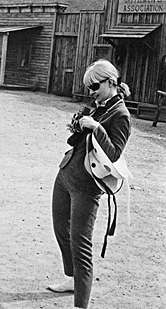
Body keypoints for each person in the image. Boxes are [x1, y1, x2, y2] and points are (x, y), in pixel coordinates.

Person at [47, 59, 131, 309]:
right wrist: (77, 125)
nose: (92, 91)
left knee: (80, 242)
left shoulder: (121, 114)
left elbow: (114, 153)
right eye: (89, 87)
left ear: (111, 81)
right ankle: (73, 280)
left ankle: (80, 304)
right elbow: (79, 142)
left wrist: (96, 128)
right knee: (61, 229)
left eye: (95, 85)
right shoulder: (98, 106)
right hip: (66, 174)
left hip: (87, 185)